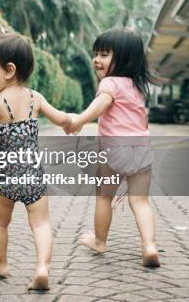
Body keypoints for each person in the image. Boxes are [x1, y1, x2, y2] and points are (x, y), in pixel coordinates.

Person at [0, 31, 72, 290]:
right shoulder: (35, 98)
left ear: (9, 70)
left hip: (3, 177)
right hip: (32, 175)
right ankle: (41, 269)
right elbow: (60, 118)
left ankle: (1, 264)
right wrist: (73, 122)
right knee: (42, 223)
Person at [64, 28, 162, 267]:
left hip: (114, 151)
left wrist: (79, 120)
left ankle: (99, 241)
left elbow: (101, 104)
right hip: (141, 149)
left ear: (124, 58)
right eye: (95, 54)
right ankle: (149, 245)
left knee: (104, 197)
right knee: (140, 201)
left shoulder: (110, 83)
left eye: (104, 54)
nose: (97, 59)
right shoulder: (137, 86)